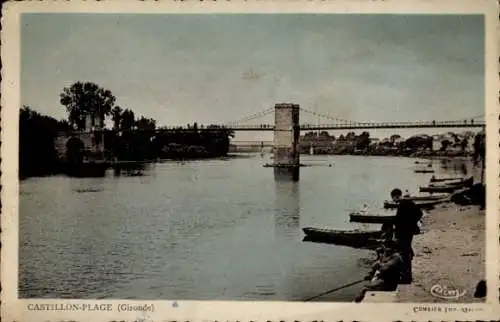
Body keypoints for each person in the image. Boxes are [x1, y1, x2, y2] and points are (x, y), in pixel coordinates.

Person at [390, 188, 423, 284]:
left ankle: (406, 278)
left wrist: (405, 225)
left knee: (404, 254)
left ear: (396, 196)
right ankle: (407, 276)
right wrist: (412, 224)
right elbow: (419, 213)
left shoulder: (402, 205)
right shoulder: (409, 202)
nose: (393, 201)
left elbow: (399, 221)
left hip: (403, 233)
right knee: (407, 252)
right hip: (409, 232)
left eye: (393, 198)